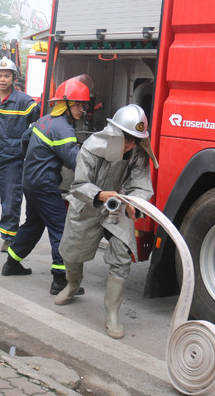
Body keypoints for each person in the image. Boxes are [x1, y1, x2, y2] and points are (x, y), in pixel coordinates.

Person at [54, 104, 157, 339]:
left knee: (122, 255)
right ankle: (72, 285)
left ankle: (112, 313)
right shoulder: (91, 148)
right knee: (72, 251)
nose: (130, 145)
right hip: (87, 203)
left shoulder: (138, 154)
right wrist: (99, 195)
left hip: (116, 204)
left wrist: (135, 202)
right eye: (126, 139)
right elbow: (78, 185)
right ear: (114, 134)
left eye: (135, 140)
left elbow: (140, 186)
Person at [2, 75, 91, 296]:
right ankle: (61, 279)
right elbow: (75, 161)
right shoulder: (63, 129)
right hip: (44, 185)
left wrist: (32, 161)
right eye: (78, 104)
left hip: (30, 182)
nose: (82, 110)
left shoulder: (44, 121)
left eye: (84, 105)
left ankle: (12, 262)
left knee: (34, 224)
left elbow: (24, 139)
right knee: (61, 227)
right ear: (66, 104)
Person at [0, 57, 38, 251]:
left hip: (12, 160)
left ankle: (9, 237)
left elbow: (39, 124)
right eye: (0, 75)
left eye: (7, 75)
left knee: (11, 198)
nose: (3, 79)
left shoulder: (24, 101)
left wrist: (25, 142)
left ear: (13, 78)